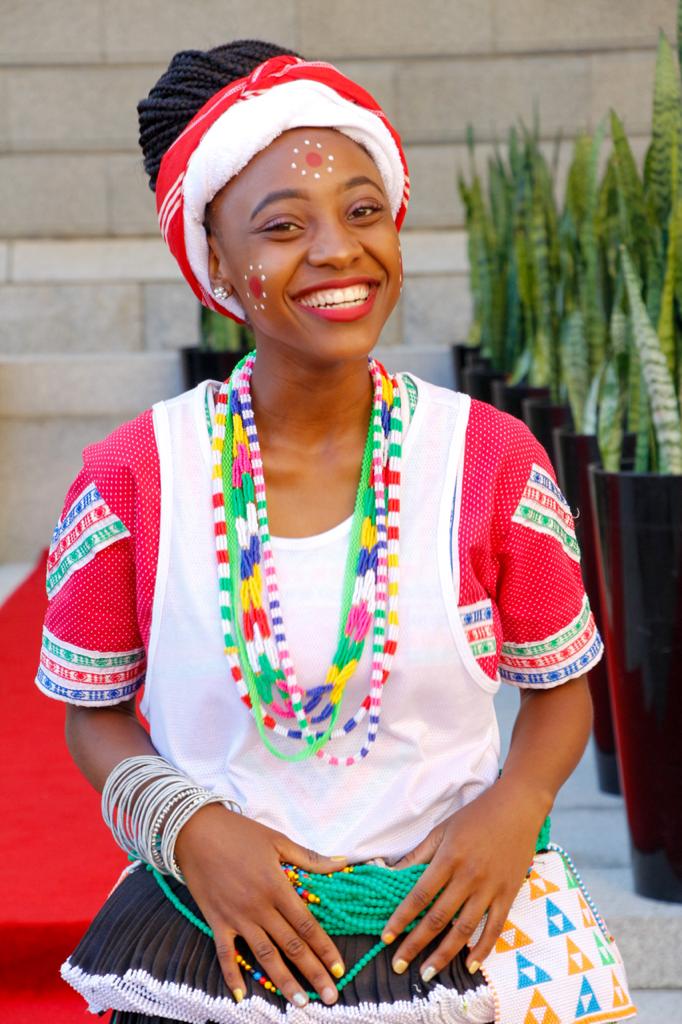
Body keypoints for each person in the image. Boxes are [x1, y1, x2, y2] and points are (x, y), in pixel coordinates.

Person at [35, 40, 635, 1024]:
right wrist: (188, 828)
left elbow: (560, 692)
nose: (335, 249)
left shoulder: (489, 459)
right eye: (280, 225)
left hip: (456, 927)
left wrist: (514, 806)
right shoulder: (133, 476)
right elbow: (90, 713)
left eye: (363, 210)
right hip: (213, 938)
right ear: (213, 262)